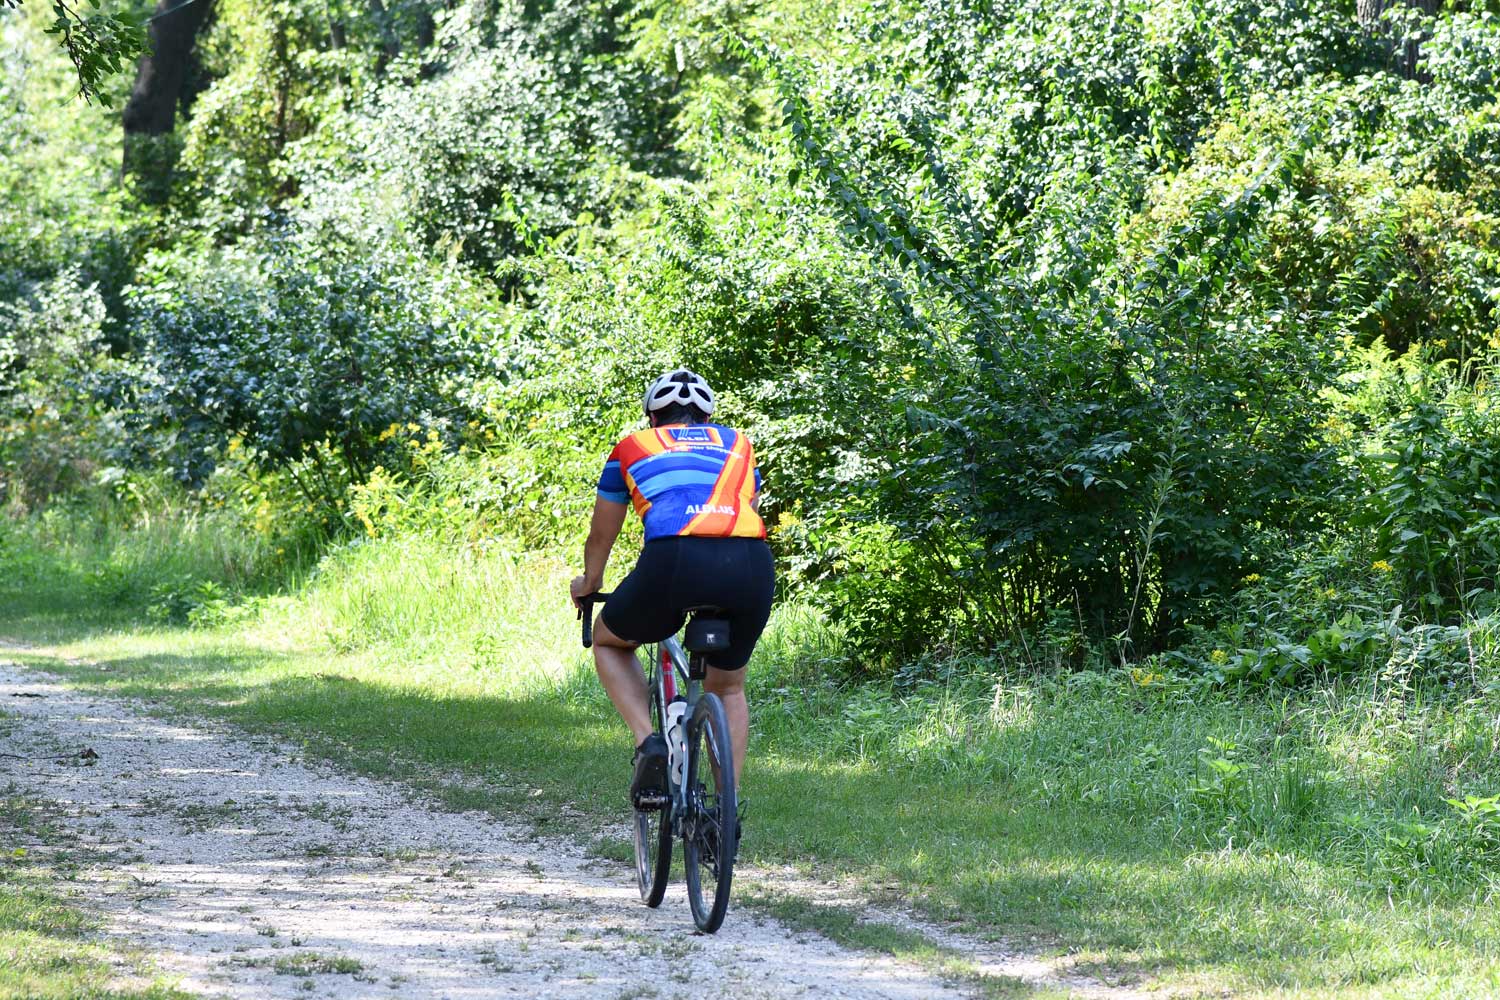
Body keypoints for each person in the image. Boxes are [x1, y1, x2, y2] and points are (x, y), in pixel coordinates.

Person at [569, 369, 775, 808]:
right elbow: (747, 510)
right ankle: (725, 811)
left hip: (674, 559)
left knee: (608, 641)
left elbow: (602, 534)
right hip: (751, 564)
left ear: (652, 418)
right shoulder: (738, 444)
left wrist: (589, 584)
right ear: (707, 417)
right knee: (730, 687)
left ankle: (649, 744)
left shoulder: (631, 448)